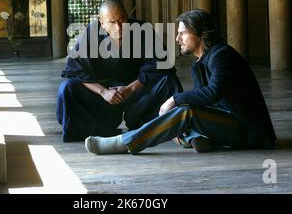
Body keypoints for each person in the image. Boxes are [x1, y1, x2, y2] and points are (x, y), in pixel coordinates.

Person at [85, 9, 277, 155]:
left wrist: (175, 100)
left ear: (200, 33)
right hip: (225, 121)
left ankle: (124, 142)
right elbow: (204, 101)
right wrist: (177, 119)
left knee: (185, 112)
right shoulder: (199, 63)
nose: (177, 39)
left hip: (249, 131)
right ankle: (198, 138)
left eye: (183, 33)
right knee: (182, 114)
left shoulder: (222, 55)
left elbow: (213, 92)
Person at [56, 0, 182, 142]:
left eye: (122, 19)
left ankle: (166, 126)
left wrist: (131, 88)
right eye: (112, 22)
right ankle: (95, 128)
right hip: (102, 98)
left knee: (168, 80)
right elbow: (75, 70)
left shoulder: (142, 29)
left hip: (137, 92)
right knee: (67, 87)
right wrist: (104, 92)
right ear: (101, 22)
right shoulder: (91, 33)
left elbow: (161, 63)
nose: (119, 27)